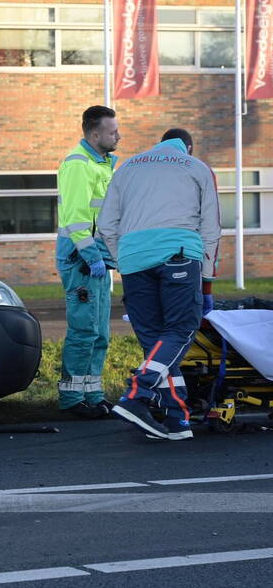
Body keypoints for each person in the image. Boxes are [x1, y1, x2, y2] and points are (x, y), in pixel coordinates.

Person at [97, 128, 221, 440]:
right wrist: (206, 284)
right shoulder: (196, 167)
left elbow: (106, 225)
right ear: (187, 146)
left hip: (134, 259)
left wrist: (123, 259)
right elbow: (211, 228)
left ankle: (177, 419)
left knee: (156, 342)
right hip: (179, 253)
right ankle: (136, 395)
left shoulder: (126, 168)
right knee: (181, 329)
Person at [54, 105, 119, 419]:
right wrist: (93, 257)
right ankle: (72, 399)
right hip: (82, 259)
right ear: (95, 134)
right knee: (84, 330)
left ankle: (92, 395)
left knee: (100, 333)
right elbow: (77, 220)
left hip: (96, 261)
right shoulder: (79, 165)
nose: (117, 135)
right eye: (112, 131)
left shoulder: (101, 165)